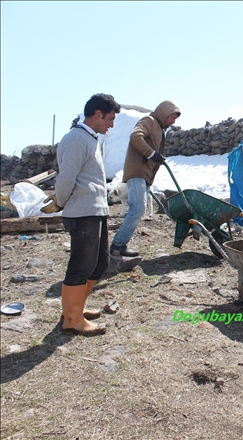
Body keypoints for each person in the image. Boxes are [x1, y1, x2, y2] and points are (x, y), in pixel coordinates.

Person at [41, 93, 121, 336]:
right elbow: (65, 179)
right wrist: (62, 202)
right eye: (110, 118)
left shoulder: (89, 138)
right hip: (82, 212)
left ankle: (76, 309)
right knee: (81, 265)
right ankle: (72, 319)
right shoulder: (77, 139)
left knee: (99, 264)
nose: (112, 124)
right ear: (97, 114)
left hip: (94, 211)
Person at [110, 100, 181, 257]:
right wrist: (151, 154)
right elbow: (135, 136)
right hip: (137, 171)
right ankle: (118, 245)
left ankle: (119, 245)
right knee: (138, 208)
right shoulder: (149, 121)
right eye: (172, 118)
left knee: (138, 208)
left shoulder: (159, 129)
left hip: (145, 173)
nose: (173, 122)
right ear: (164, 113)